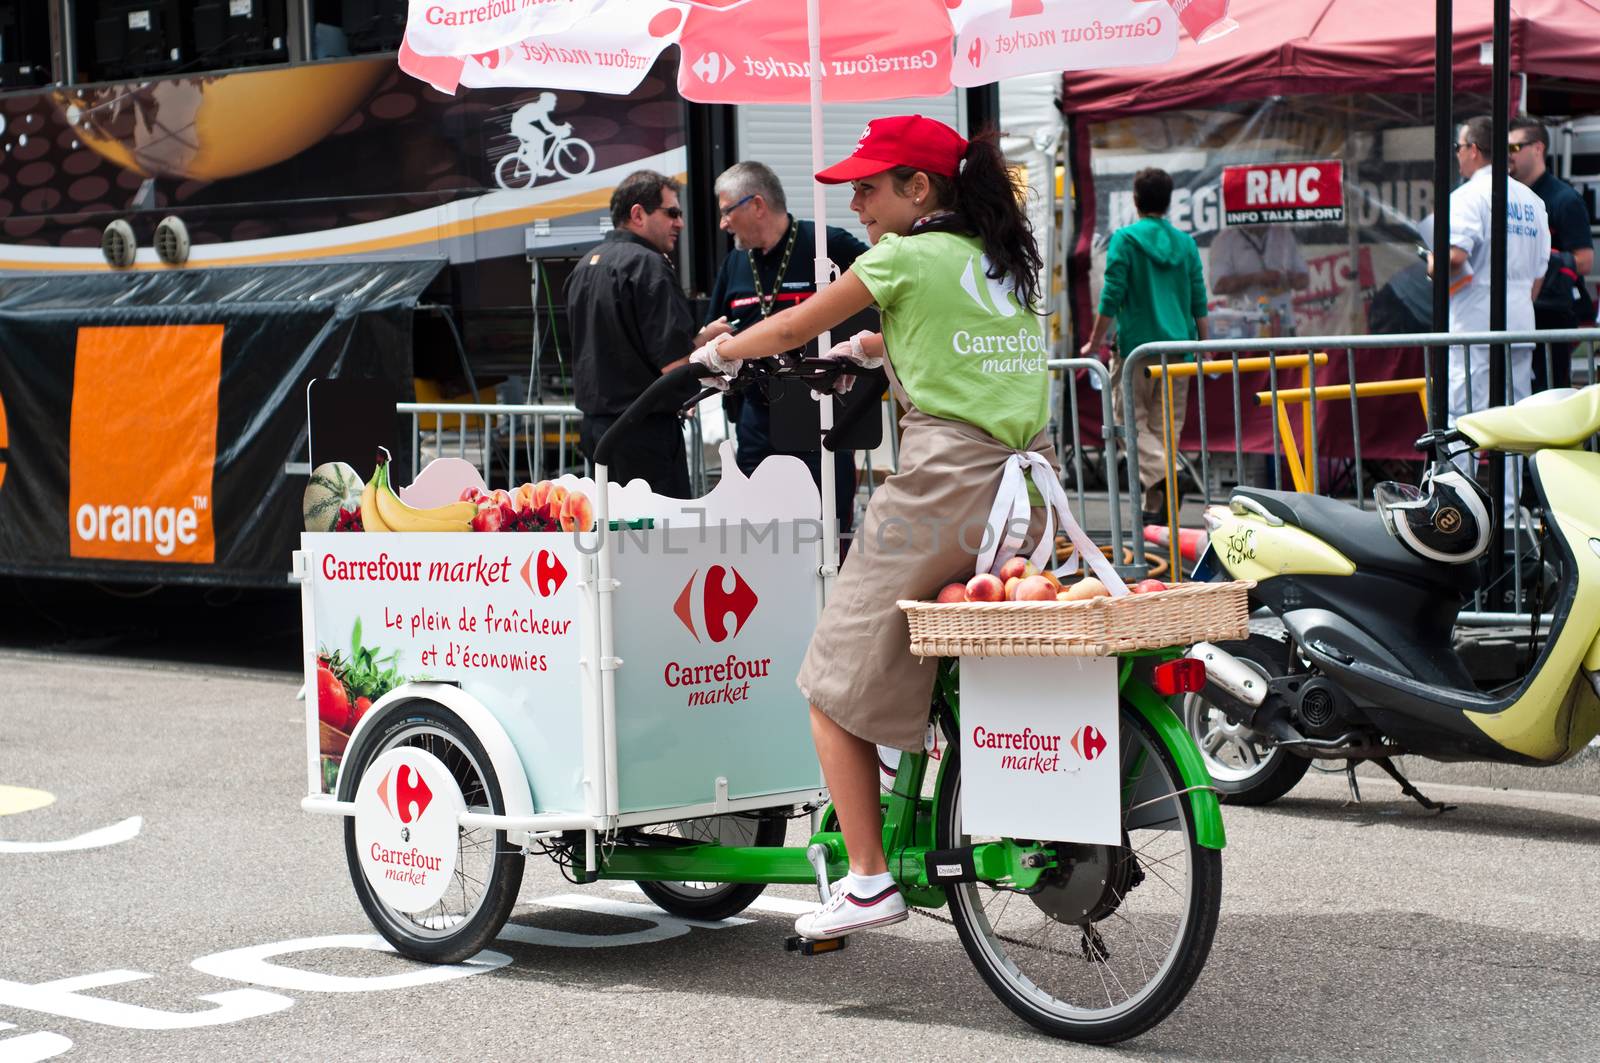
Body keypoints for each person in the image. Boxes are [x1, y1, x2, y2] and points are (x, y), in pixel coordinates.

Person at [688, 114, 1057, 940]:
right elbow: (960, 345)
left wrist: (716, 356)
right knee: (904, 653)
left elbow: (789, 326)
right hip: (1029, 497)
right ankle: (896, 759)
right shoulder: (996, 261)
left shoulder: (899, 257)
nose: (854, 202)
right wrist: (876, 347)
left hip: (943, 496)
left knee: (826, 684)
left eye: (867, 186)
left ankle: (865, 880)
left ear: (917, 189)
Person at [706, 162, 869, 535]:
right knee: (755, 533)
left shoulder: (828, 244)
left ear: (757, 204)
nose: (723, 224)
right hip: (755, 419)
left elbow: (886, 295)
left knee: (826, 531)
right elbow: (714, 330)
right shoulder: (735, 262)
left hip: (820, 414)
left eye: (727, 211)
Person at [566, 171, 730, 496]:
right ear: (638, 214)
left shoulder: (583, 266)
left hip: (598, 431)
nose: (680, 223)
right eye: (672, 212)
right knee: (659, 540)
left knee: (612, 538)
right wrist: (715, 348)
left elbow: (627, 348)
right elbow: (675, 365)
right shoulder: (649, 266)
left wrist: (701, 337)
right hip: (645, 432)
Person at [1429, 115, 1549, 515]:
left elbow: (1456, 254)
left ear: (1474, 150)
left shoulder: (1467, 196)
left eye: (1459, 148)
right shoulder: (1532, 201)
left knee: (1461, 416)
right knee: (1515, 418)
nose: (1458, 156)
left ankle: (1457, 511)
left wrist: (1431, 262)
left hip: (1474, 323)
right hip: (1519, 319)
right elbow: (1538, 275)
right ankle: (1510, 508)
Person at [1079, 168, 1209, 523]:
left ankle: (1166, 481)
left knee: (1127, 423)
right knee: (1165, 427)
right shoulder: (1186, 243)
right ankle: (1157, 508)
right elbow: (1199, 297)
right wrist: (1206, 345)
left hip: (1137, 349)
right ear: (1168, 202)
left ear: (1136, 200)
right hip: (1179, 351)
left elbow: (1111, 295)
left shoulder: (1125, 239)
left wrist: (1094, 341)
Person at [1509, 115, 1595, 392]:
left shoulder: (1564, 199)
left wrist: (1537, 257)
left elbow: (1584, 261)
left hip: (1550, 313)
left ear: (1538, 148)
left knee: (1551, 392)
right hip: (1517, 311)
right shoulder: (1509, 195)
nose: (1508, 156)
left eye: (1514, 148)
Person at [1207, 223, 1309, 335]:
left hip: (1283, 323)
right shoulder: (1225, 239)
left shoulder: (1283, 233)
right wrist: (1255, 278)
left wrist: (1286, 278)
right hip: (1245, 327)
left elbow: (1304, 280)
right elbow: (1218, 286)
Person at [510, 92, 571, 177]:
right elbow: (548, 126)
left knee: (539, 137)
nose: (554, 104)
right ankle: (538, 166)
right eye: (553, 101)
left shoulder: (539, 108)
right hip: (519, 125)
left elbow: (549, 126)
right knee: (540, 137)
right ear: (546, 102)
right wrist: (561, 129)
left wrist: (559, 129)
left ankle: (530, 157)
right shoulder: (539, 109)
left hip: (519, 124)